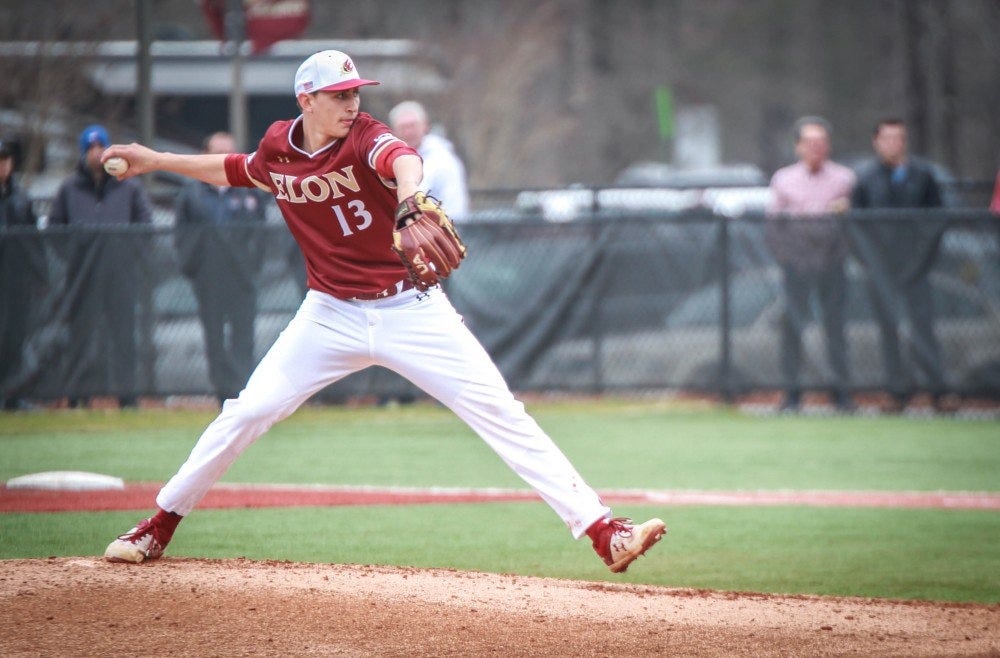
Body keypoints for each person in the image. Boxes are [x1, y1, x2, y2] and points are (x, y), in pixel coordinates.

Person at [101, 50, 665, 572]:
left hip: (410, 308)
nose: (352, 103)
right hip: (328, 315)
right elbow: (235, 168)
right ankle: (157, 526)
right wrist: (156, 161)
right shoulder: (279, 148)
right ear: (306, 100)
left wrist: (409, 199)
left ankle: (604, 533)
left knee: (501, 412)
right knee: (247, 412)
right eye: (339, 95)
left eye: (355, 93)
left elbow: (403, 160)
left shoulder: (365, 137)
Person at [48, 124, 154, 409]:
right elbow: (55, 231)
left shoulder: (128, 186)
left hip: (120, 276)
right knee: (81, 336)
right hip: (82, 275)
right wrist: (74, 256)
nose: (96, 153)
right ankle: (78, 396)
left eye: (100, 147)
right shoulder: (70, 188)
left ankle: (127, 397)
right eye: (91, 148)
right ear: (83, 153)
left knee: (123, 336)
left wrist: (127, 256)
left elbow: (145, 226)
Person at [851, 117, 946, 413]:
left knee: (923, 329)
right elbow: (856, 228)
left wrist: (919, 263)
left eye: (899, 138)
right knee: (888, 331)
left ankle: (938, 393)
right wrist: (871, 263)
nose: (893, 144)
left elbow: (935, 222)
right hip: (880, 270)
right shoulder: (866, 178)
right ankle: (897, 393)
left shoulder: (923, 175)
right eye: (887, 138)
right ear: (876, 142)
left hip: (917, 269)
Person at [765, 117, 856, 412]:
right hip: (797, 265)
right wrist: (787, 258)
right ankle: (792, 394)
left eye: (821, 142)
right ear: (798, 146)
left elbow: (853, 226)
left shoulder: (844, 179)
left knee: (835, 328)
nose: (815, 147)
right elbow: (774, 226)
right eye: (809, 142)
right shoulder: (783, 179)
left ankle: (841, 394)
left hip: (833, 263)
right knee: (792, 327)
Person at [175, 131, 269, 407]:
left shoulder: (249, 191)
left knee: (244, 336)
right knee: (214, 338)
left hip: (242, 277)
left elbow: (261, 235)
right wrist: (195, 266)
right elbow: (182, 236)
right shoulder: (192, 193)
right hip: (209, 278)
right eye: (218, 153)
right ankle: (222, 394)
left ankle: (243, 393)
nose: (224, 159)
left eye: (229, 153)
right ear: (205, 155)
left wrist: (252, 265)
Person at [0, 137, 43, 410]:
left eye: (5, 159)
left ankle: (13, 396)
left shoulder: (21, 197)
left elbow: (34, 241)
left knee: (15, 340)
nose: (3, 165)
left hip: (16, 282)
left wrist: (38, 275)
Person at [388, 100, 470, 220]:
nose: (408, 132)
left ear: (425, 126)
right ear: (394, 131)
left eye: (412, 126)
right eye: (403, 127)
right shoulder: (390, 160)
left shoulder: (442, 158)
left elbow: (454, 205)